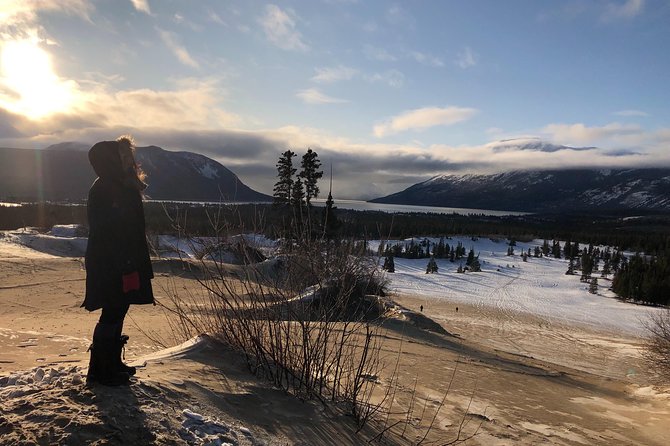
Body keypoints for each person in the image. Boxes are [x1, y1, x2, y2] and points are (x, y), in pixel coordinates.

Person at [83, 136, 154, 386]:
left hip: (125, 259)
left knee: (120, 307)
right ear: (111, 160)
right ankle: (100, 371)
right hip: (111, 261)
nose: (129, 161)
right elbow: (106, 230)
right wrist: (123, 260)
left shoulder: (122, 185)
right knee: (112, 309)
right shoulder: (104, 188)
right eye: (123, 157)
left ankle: (112, 363)